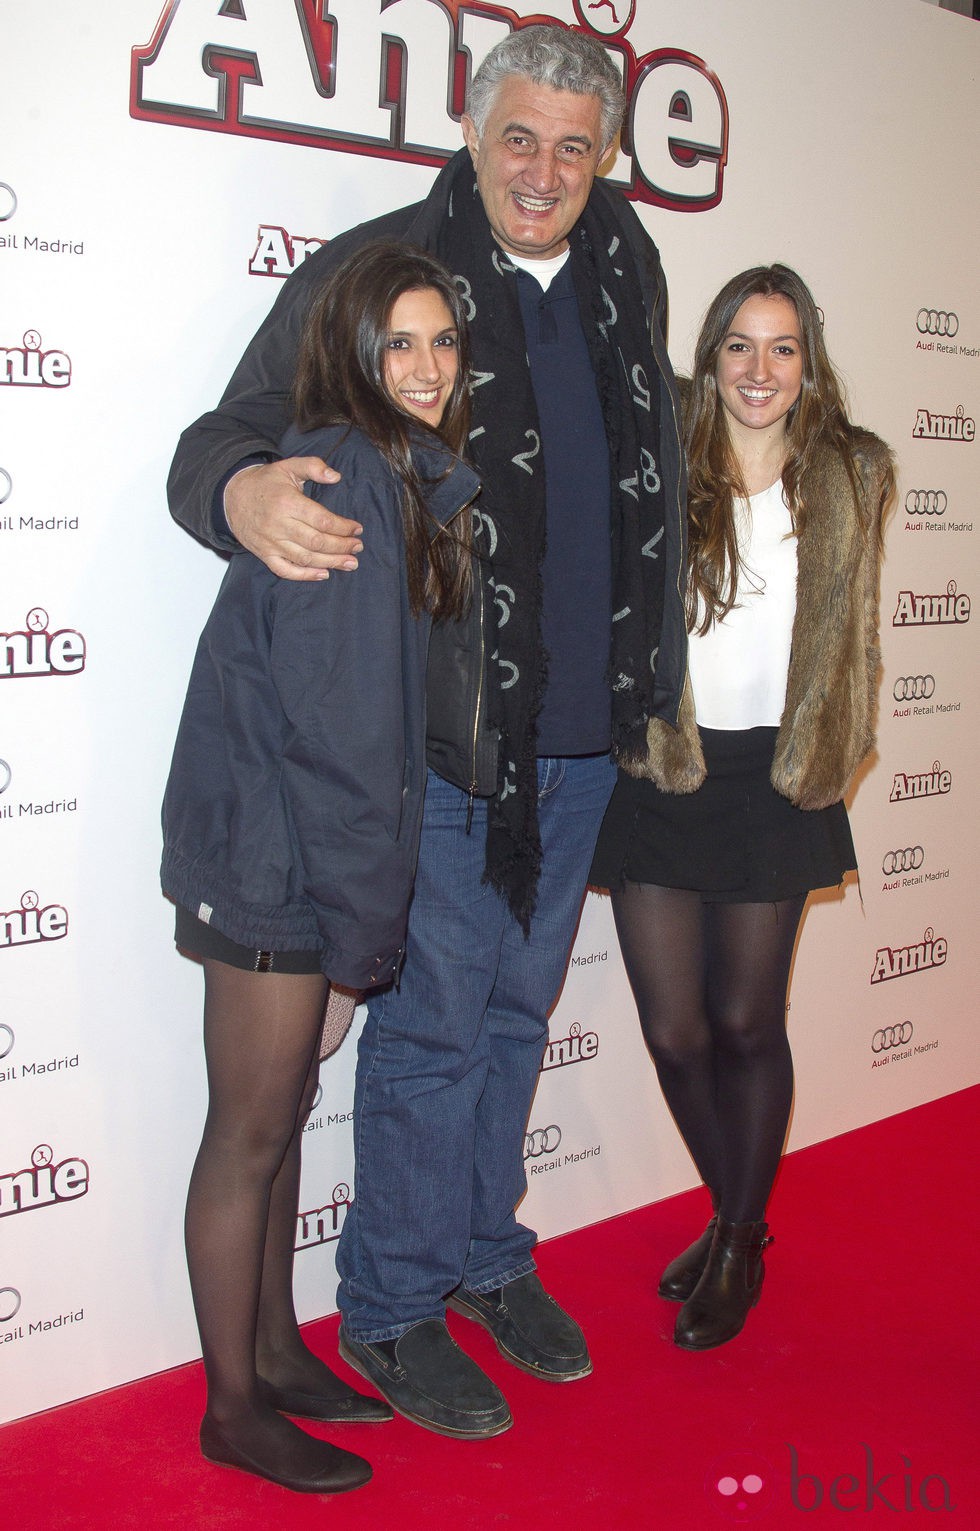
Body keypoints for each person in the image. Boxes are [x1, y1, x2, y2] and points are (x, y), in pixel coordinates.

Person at [167, 24, 688, 1439]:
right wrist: (238, 496)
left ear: (608, 160)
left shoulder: (629, 270)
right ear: (470, 133)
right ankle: (393, 1300)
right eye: (520, 137)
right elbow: (220, 434)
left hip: (584, 738)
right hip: (448, 735)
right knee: (436, 1031)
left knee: (516, 1019)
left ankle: (480, 1251)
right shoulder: (383, 269)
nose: (544, 170)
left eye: (577, 146)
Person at [161, 241, 479, 1491]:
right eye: (395, 344)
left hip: (274, 840)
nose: (425, 367)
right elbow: (345, 740)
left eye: (442, 341)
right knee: (248, 1130)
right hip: (267, 853)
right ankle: (231, 1406)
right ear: (347, 353)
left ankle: (280, 1351)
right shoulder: (346, 472)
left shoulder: (383, 470)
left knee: (282, 1112)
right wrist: (358, 951)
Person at [592, 264, 894, 1350]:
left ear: (806, 364)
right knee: (672, 1030)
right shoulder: (664, 459)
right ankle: (739, 1220)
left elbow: (850, 638)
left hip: (772, 779)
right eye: (738, 346)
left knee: (740, 1022)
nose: (758, 371)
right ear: (708, 354)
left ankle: (732, 1236)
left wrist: (832, 747)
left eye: (780, 349)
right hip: (661, 769)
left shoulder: (849, 475)